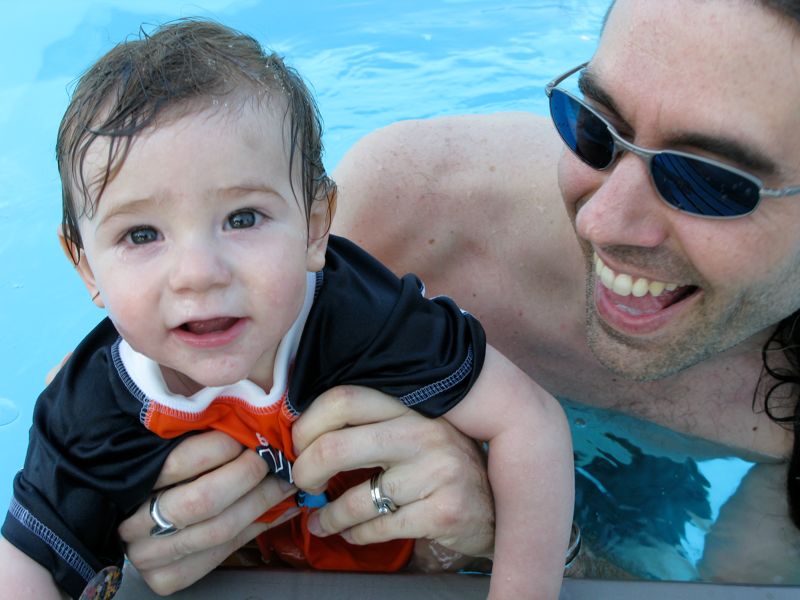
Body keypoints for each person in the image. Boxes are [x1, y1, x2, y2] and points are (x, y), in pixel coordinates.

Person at [105, 0, 800, 590]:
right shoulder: (420, 211)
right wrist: (169, 517)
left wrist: (513, 537)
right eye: (594, 128)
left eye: (709, 182)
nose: (600, 221)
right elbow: (133, 388)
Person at [0, 18, 574, 600]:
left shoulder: (363, 318)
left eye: (242, 218)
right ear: (86, 269)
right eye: (142, 234)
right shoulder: (90, 405)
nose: (198, 273)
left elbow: (528, 421)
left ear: (316, 227)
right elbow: (25, 561)